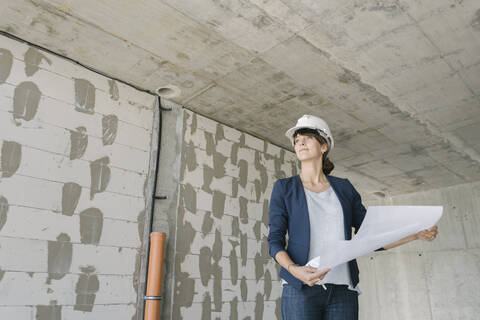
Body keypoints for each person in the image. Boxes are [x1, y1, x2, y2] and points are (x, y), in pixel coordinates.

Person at [268, 115, 438, 320]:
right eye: (297, 140)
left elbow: (371, 236)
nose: (300, 142)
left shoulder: (344, 188)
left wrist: (415, 234)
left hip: (343, 290)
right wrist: (295, 271)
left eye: (307, 137)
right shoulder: (284, 188)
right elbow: (275, 241)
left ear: (324, 146)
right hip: (300, 288)